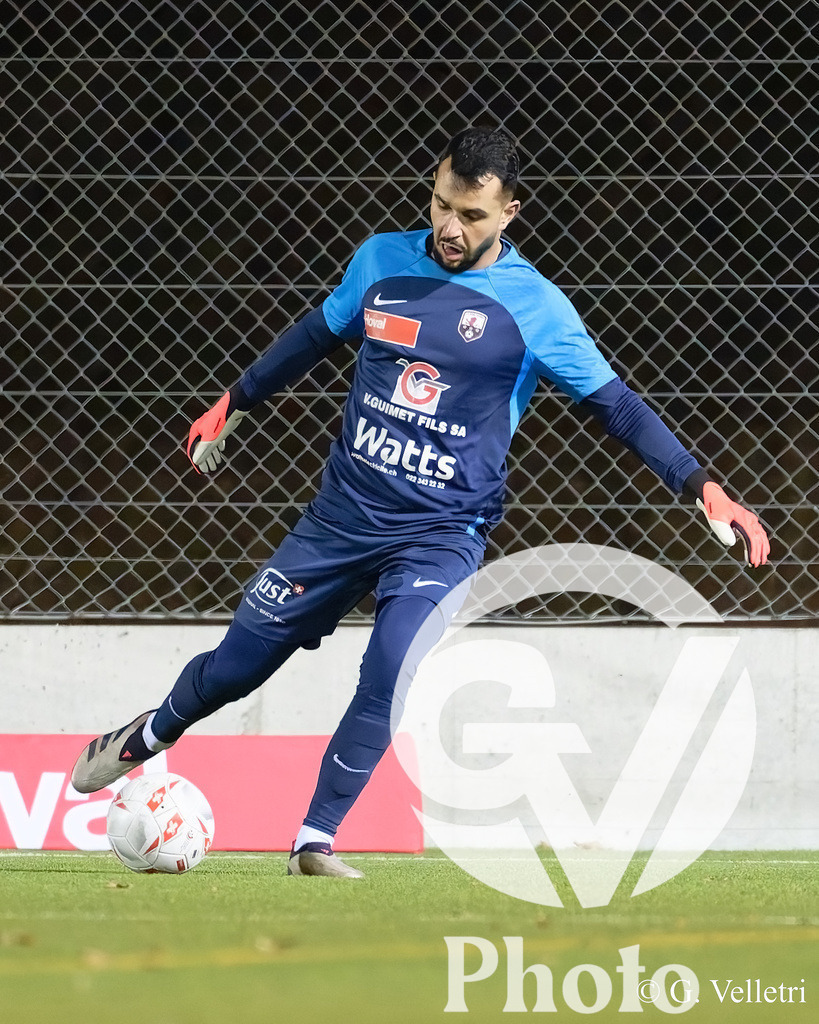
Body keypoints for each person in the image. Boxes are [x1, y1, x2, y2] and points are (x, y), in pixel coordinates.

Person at [71, 126, 770, 877]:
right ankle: (145, 738)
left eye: (470, 215)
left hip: (442, 532)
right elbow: (315, 335)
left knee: (393, 663)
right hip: (338, 521)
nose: (448, 227)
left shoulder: (534, 308)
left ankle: (314, 839)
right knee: (237, 668)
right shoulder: (380, 260)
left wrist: (702, 486)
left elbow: (618, 408)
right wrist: (236, 399)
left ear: (509, 215)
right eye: (441, 205)